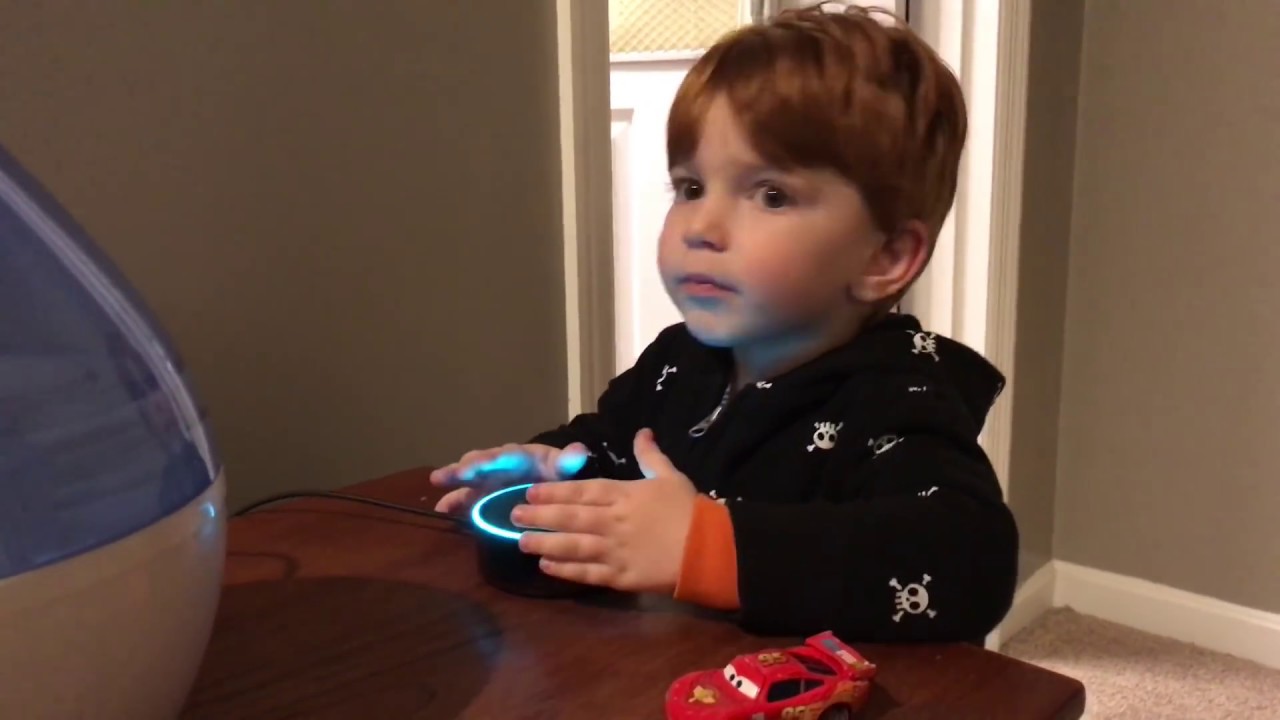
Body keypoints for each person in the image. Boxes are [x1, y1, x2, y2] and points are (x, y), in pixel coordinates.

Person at [431, 4, 1017, 643]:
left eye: (771, 195)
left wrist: (706, 546)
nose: (702, 227)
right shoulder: (680, 360)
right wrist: (556, 471)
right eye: (690, 187)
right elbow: (618, 443)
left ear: (886, 257)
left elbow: (970, 559)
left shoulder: (900, 401)